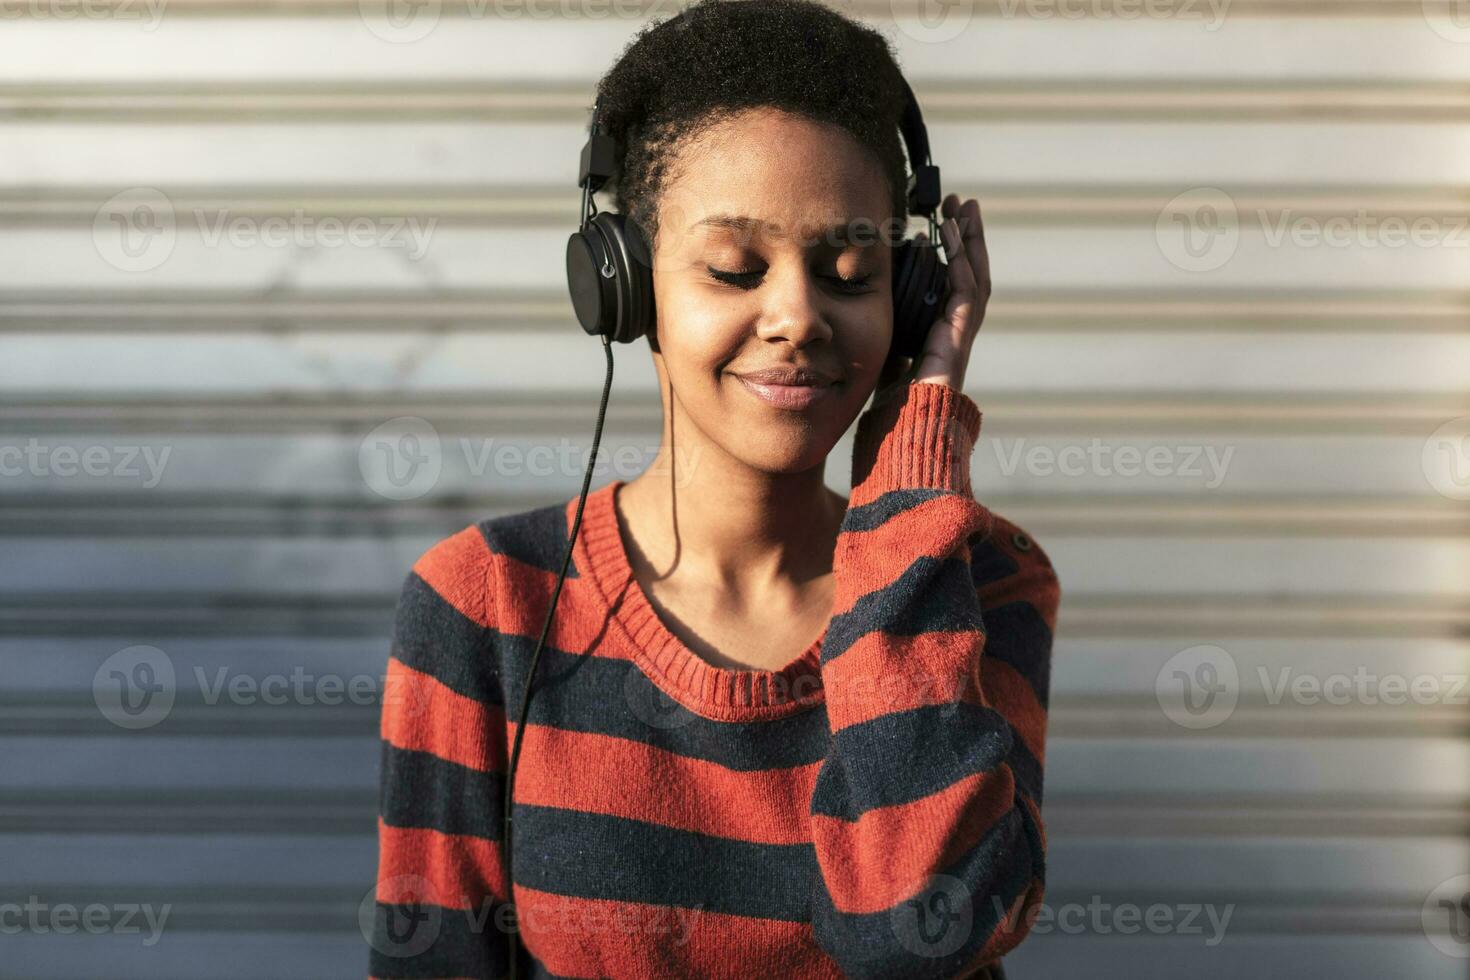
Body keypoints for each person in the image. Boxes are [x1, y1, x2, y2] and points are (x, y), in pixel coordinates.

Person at [367, 1, 1060, 976]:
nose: (796, 316)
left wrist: (911, 467)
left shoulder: (978, 580)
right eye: (736, 268)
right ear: (624, 284)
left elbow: (915, 927)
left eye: (851, 272)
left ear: (909, 298)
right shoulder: (483, 605)